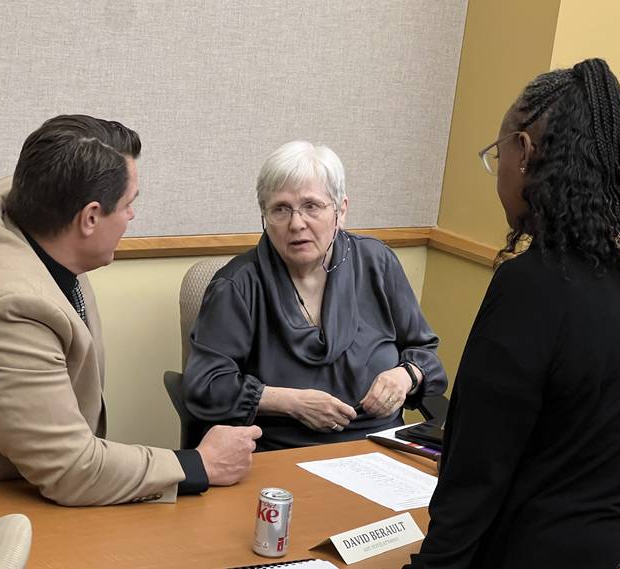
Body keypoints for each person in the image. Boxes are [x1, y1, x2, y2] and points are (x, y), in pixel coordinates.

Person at [0, 115, 261, 569]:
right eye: (129, 204)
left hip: (1, 480)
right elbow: (70, 471)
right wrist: (199, 464)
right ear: (90, 217)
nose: (133, 216)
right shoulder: (8, 308)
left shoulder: (17, 201)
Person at [407, 59, 620, 569]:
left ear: (525, 153)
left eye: (497, 153)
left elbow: (476, 475)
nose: (498, 171)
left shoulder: (534, 288)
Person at [183, 140, 446, 450]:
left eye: (311, 206)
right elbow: (206, 385)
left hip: (378, 449)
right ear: (264, 217)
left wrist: (406, 376)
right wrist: (290, 402)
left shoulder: (377, 263)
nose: (296, 224)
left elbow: (426, 353)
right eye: (280, 209)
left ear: (341, 210)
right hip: (280, 453)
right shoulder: (238, 284)